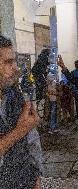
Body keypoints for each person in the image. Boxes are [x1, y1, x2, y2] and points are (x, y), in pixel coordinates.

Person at [0, 36, 41, 188]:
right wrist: (20, 130)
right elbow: (24, 130)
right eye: (8, 62)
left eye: (14, 61)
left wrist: (35, 177)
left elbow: (32, 142)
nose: (16, 68)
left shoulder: (14, 95)